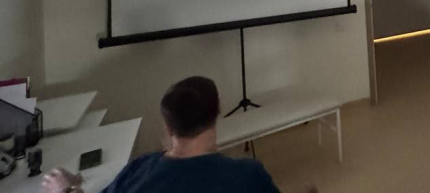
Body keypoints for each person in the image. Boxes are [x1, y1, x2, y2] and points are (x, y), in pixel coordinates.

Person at [42, 76, 284, 193]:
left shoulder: (138, 171)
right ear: (218, 110)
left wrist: (67, 189)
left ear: (168, 127)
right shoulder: (249, 176)